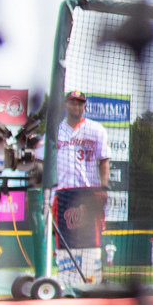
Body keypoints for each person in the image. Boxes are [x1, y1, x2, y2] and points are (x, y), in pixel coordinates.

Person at [53, 91, 109, 269]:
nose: (76, 106)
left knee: (91, 237)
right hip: (62, 193)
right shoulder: (55, 130)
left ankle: (91, 275)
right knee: (64, 239)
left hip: (88, 192)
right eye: (72, 102)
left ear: (85, 106)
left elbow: (104, 160)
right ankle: (67, 276)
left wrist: (104, 188)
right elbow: (42, 160)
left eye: (80, 103)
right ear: (65, 105)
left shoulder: (96, 129)